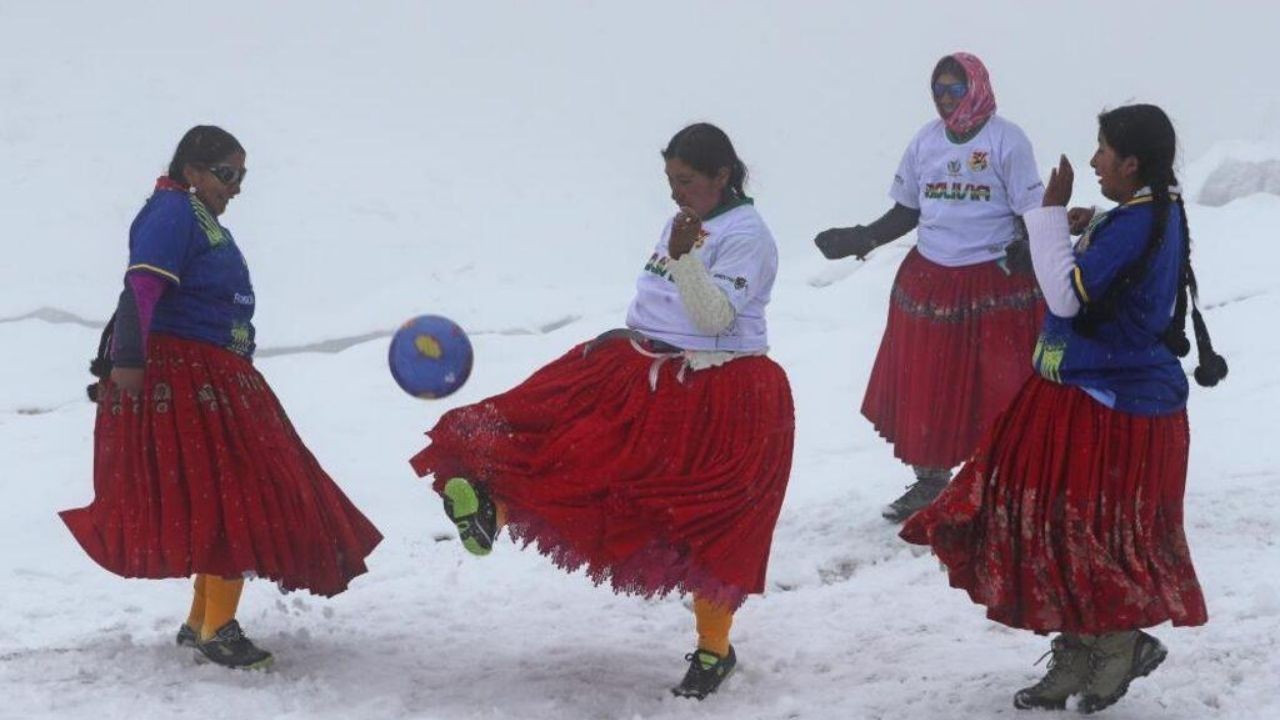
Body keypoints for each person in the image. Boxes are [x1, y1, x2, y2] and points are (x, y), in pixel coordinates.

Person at [410, 122, 794, 700]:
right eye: (669, 180)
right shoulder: (683, 222)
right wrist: (631, 331)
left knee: (707, 524)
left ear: (721, 175)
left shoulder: (749, 236)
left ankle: (716, 652)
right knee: (566, 445)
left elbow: (714, 317)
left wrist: (687, 259)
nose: (674, 193)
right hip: (648, 364)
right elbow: (661, 291)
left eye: (685, 180)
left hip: (723, 393)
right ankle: (494, 508)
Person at [901, 104, 1227, 713]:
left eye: (1104, 150)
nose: (1096, 159)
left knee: (1081, 530)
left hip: (1114, 400)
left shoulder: (1137, 222)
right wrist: (1087, 229)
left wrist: (1046, 216)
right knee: (1054, 523)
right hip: (1083, 390)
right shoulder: (1144, 212)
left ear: (1132, 163)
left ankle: (1116, 643)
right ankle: (1081, 648)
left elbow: (1066, 299)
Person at [62, 126, 383, 670]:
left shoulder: (191, 216)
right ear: (193, 170)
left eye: (241, 177)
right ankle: (217, 627)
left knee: (221, 493)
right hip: (189, 373)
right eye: (227, 174)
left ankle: (201, 620)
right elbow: (141, 286)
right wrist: (130, 362)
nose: (235, 188)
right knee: (239, 487)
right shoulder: (173, 211)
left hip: (211, 372)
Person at [813, 52, 1045, 522]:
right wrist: (863, 237)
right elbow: (908, 210)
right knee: (929, 384)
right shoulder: (925, 142)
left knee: (998, 383)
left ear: (976, 88)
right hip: (931, 281)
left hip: (993, 281)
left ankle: (1001, 483)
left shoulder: (1008, 141)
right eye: (937, 90)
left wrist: (1029, 246)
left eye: (954, 89)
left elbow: (1031, 212)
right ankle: (932, 482)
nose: (944, 98)